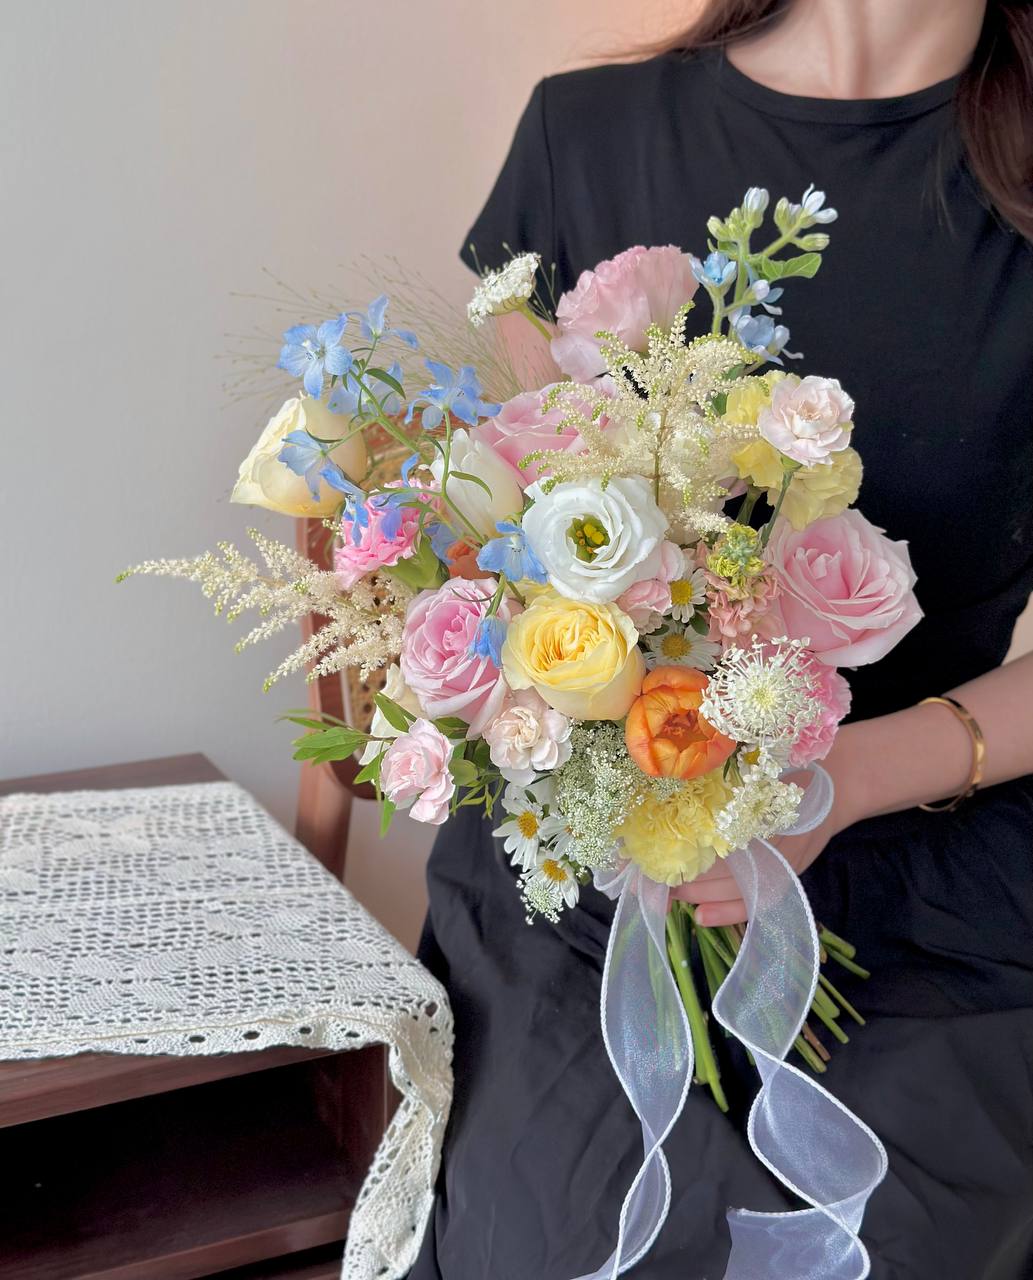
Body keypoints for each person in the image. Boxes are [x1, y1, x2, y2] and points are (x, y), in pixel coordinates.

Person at [408, 3, 1033, 1276]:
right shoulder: (584, 138)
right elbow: (528, 533)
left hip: (941, 853)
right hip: (596, 860)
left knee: (881, 1240)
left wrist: (839, 782)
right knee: (559, 1234)